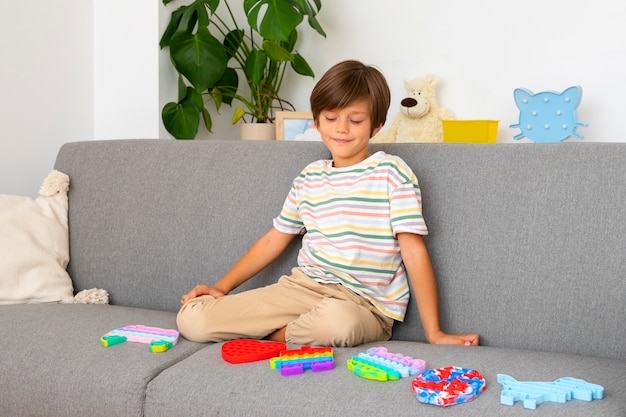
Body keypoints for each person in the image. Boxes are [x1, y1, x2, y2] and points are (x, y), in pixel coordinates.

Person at [177, 60, 479, 347]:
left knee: (338, 323)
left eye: (356, 120)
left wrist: (434, 332)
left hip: (363, 305)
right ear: (317, 122)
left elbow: (413, 252)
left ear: (376, 126)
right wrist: (221, 288)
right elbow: (273, 241)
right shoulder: (309, 177)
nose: (342, 129)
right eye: (331, 118)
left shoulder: (392, 173)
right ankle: (288, 330)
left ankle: (275, 335)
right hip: (300, 290)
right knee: (192, 319)